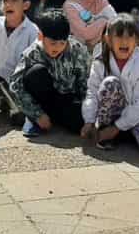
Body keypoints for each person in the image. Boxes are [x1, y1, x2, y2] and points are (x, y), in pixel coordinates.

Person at [81, 14, 139, 155]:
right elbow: (92, 92)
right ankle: (106, 129)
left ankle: (120, 133)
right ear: (108, 39)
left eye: (130, 36)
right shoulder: (100, 58)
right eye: (119, 36)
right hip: (112, 116)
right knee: (110, 84)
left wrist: (118, 128)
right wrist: (89, 121)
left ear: (136, 40)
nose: (124, 42)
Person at [9, 8, 91, 137]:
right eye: (53, 43)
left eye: (62, 43)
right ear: (41, 36)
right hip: (43, 101)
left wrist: (87, 112)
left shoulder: (78, 51)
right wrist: (37, 113)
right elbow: (15, 85)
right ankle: (37, 118)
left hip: (67, 100)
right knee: (36, 73)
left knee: (81, 122)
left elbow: (86, 84)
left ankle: (46, 118)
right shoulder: (32, 53)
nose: (57, 47)